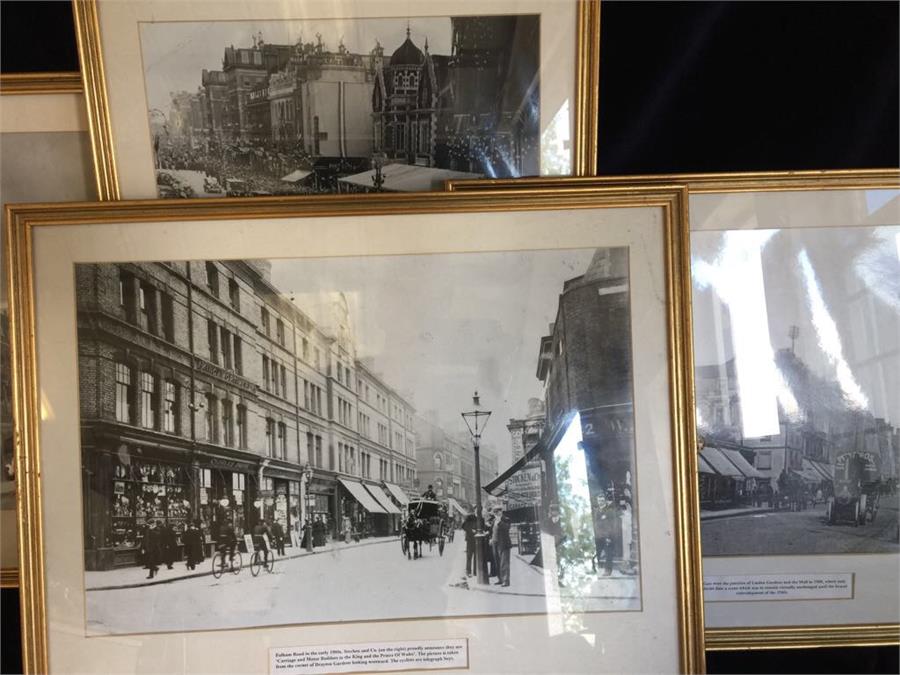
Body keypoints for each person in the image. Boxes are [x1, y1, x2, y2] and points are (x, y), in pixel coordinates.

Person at [593, 493, 618, 576]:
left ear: (605, 501)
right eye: (599, 501)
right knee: (597, 553)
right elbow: (595, 524)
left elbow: (612, 525)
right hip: (598, 536)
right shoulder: (596, 511)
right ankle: (594, 568)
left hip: (607, 536)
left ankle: (608, 570)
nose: (600, 502)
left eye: (602, 501)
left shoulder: (609, 511)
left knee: (608, 554)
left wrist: (609, 537)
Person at [492, 508, 512, 586]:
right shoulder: (494, 521)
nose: (496, 513)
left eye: (498, 511)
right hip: (495, 543)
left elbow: (507, 528)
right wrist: (491, 538)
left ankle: (506, 581)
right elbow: (492, 530)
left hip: (504, 543)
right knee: (497, 562)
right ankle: (500, 579)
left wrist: (500, 521)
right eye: (495, 512)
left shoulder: (506, 519)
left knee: (504, 563)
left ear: (501, 512)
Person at [462, 513, 477, 577]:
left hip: (469, 541)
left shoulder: (467, 522)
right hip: (476, 540)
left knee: (469, 557)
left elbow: (463, 527)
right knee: (476, 557)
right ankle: (475, 571)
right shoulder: (477, 520)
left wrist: (469, 530)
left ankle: (468, 571)